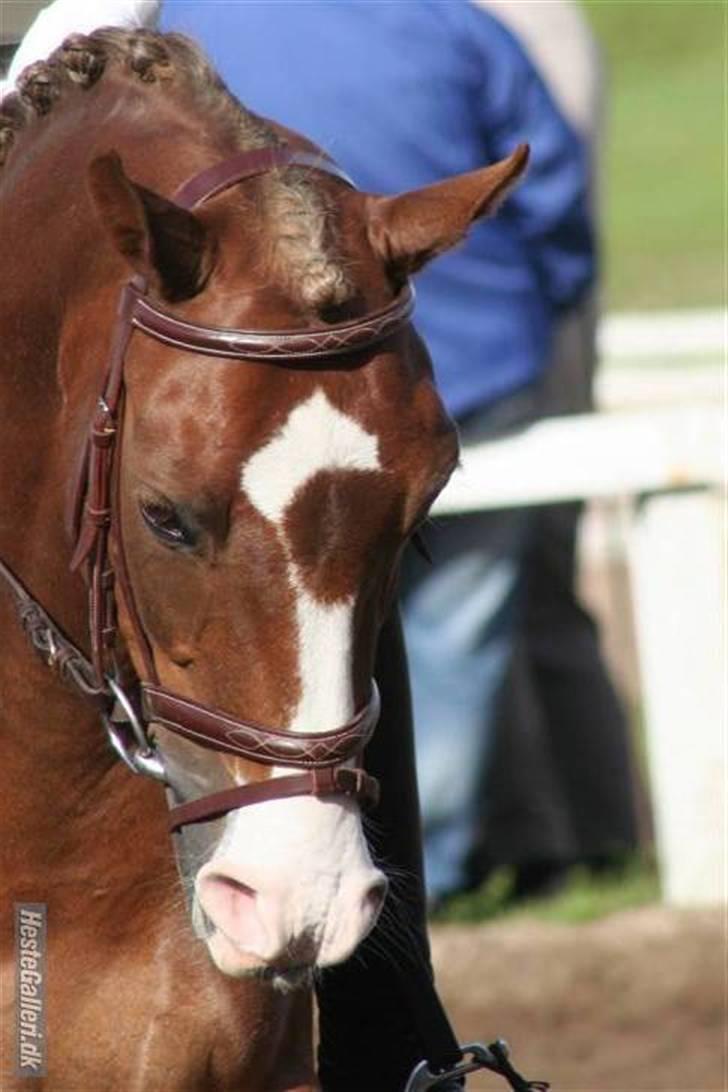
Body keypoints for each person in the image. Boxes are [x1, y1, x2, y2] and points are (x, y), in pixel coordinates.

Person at [466, 1, 640, 900]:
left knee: (513, 588)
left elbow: (545, 195)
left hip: (510, 334)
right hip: (524, 322)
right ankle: (578, 829)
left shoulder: (504, 23)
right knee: (524, 591)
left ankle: (552, 836)